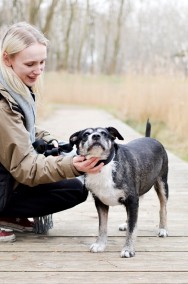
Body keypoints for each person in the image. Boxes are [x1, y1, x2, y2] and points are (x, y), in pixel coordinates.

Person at [0, 22, 104, 242]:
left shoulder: (13, 87)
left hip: (7, 176)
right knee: (72, 188)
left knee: (74, 188)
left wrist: (49, 140)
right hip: (12, 174)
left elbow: (19, 129)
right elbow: (24, 168)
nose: (38, 70)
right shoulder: (2, 103)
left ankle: (7, 213)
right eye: (30, 63)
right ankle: (3, 213)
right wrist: (71, 165)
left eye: (42, 62)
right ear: (7, 59)